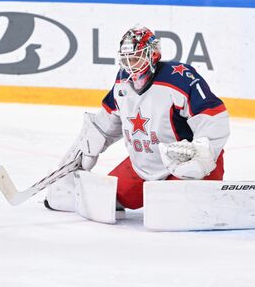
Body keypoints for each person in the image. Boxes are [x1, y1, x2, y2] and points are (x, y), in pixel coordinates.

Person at [46, 26, 230, 213]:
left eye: (135, 58)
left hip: (184, 165)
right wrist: (87, 147)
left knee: (171, 210)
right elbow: (107, 123)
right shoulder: (122, 82)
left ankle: (201, 188)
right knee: (103, 200)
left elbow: (213, 117)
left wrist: (202, 155)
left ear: (153, 54)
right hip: (143, 167)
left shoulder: (178, 78)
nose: (130, 64)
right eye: (126, 59)